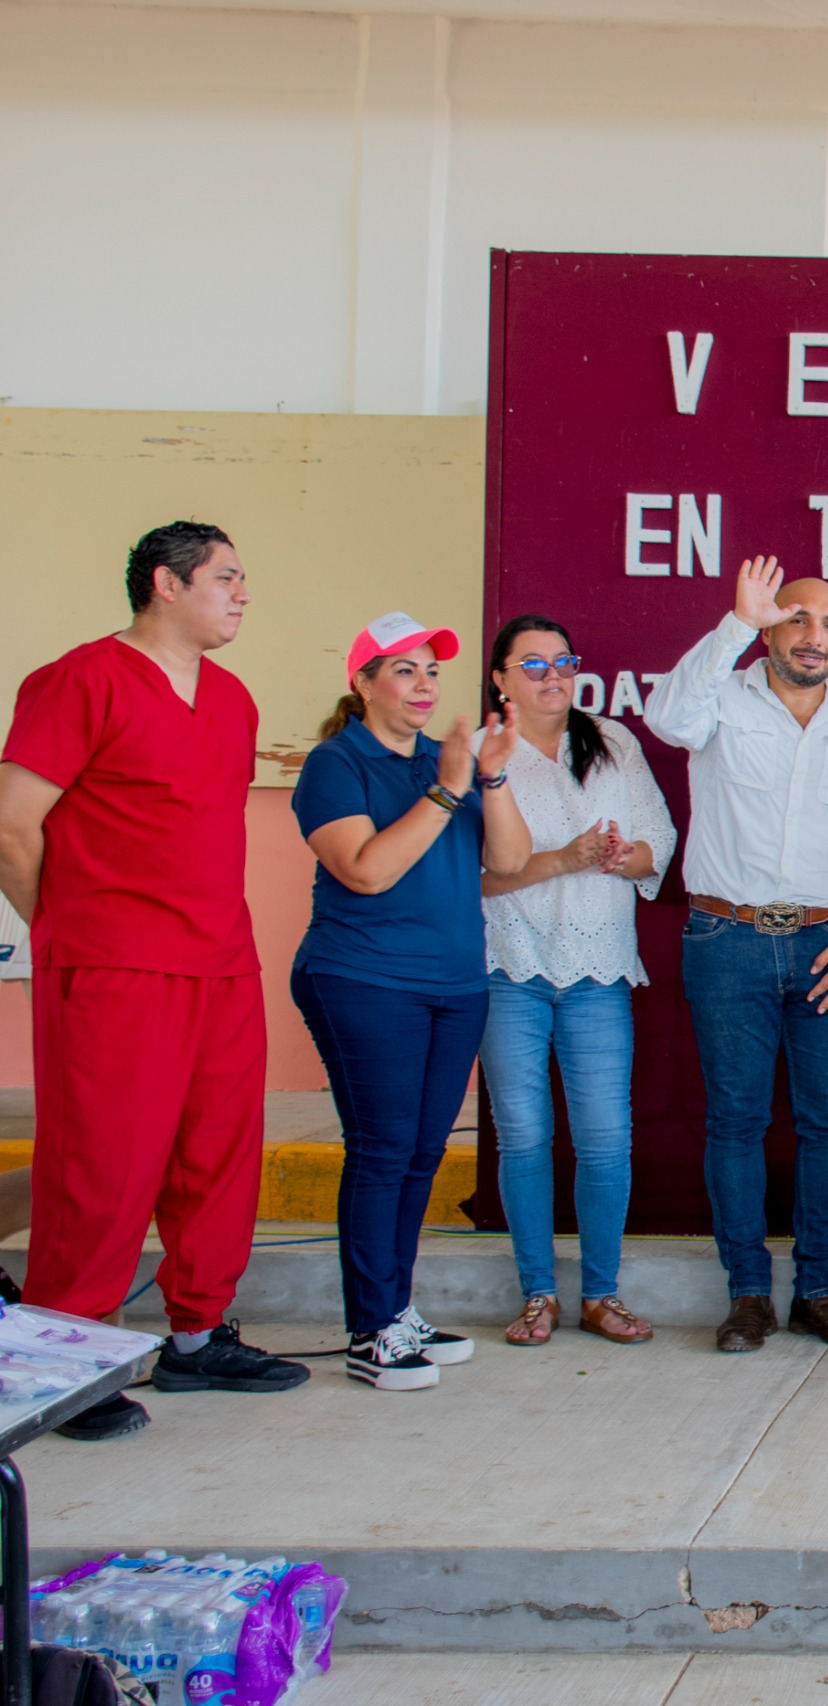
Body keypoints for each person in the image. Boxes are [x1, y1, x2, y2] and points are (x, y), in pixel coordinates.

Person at [0, 523, 306, 1441]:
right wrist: (64, 928)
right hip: (114, 963)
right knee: (102, 1163)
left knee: (216, 1156)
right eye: (227, 578)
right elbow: (15, 827)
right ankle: (67, 1361)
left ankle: (197, 1334)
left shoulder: (235, 700)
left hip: (219, 959)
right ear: (167, 586)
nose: (243, 593)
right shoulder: (78, 681)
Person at [644, 556, 828, 1354]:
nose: (812, 635)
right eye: (796, 617)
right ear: (770, 627)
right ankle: (750, 1294)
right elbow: (665, 716)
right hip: (727, 942)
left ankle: (819, 1292)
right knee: (735, 1121)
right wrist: (735, 623)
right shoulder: (720, 701)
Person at [292, 612, 532, 1390]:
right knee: (383, 1150)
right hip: (366, 981)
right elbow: (365, 870)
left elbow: (508, 860)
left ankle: (397, 1310)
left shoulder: (449, 759)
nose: (424, 684)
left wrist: (489, 778)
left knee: (423, 1153)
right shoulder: (338, 763)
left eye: (432, 670)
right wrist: (448, 787)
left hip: (454, 984)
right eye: (404, 669)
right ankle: (371, 1329)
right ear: (362, 683)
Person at [475, 616, 678, 1349]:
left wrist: (623, 856)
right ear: (499, 678)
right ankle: (538, 1295)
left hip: (597, 967)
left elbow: (660, 843)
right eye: (532, 665)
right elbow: (478, 875)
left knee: (604, 1139)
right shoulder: (479, 756)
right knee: (524, 1137)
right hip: (507, 967)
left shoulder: (612, 742)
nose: (552, 675)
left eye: (563, 661)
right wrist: (566, 856)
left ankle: (600, 1293)